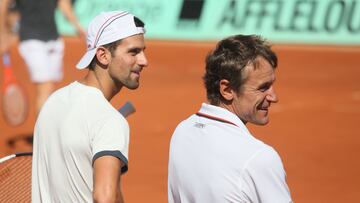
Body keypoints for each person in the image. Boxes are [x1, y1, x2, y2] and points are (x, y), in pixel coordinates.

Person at [31, 10, 148, 202]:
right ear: (103, 55)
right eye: (133, 52)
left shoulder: (53, 102)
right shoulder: (109, 121)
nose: (144, 61)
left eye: (143, 51)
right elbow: (104, 197)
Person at [168, 34, 293, 203]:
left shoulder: (182, 132)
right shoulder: (259, 158)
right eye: (263, 88)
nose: (274, 97)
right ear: (227, 90)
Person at [0, 0, 85, 115]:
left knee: (51, 89)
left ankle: (48, 128)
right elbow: (3, 3)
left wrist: (78, 26)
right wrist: (2, 33)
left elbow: (63, 3)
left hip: (53, 38)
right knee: (46, 86)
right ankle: (44, 131)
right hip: (31, 39)